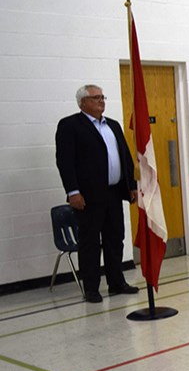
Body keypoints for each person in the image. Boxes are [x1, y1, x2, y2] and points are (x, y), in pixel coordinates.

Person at [55, 85, 140, 303]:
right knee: (90, 242)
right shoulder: (70, 125)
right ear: (83, 102)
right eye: (96, 98)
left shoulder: (112, 125)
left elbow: (124, 156)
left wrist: (131, 184)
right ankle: (92, 288)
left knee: (115, 239)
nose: (101, 101)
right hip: (88, 195)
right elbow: (65, 161)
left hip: (113, 193)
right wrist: (73, 191)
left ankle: (116, 282)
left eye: (103, 97)